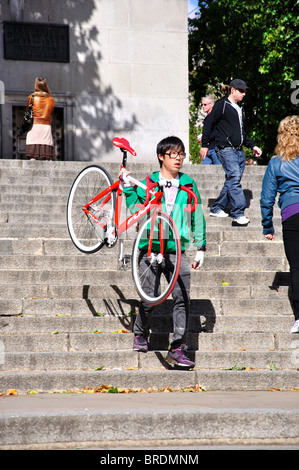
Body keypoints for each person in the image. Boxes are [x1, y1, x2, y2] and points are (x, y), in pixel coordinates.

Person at [121, 136, 206, 368]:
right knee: (149, 298)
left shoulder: (188, 184)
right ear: (161, 156)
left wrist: (201, 246)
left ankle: (178, 348)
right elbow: (136, 207)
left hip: (176, 249)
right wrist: (127, 188)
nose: (178, 158)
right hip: (149, 247)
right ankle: (140, 332)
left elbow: (197, 215)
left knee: (183, 299)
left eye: (181, 154)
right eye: (173, 154)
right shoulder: (149, 183)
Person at [200, 79, 262, 225]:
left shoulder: (240, 109)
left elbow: (241, 132)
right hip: (225, 148)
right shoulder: (222, 105)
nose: (244, 94)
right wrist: (205, 144)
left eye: (245, 91)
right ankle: (237, 212)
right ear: (233, 90)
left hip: (239, 150)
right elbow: (208, 123)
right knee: (234, 176)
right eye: (241, 91)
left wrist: (252, 145)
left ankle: (216, 207)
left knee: (233, 180)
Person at [260, 115, 299, 334]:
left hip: (292, 213)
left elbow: (267, 198)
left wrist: (268, 226)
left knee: (297, 267)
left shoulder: (276, 162)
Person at [25, 77, 55, 161]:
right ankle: (47, 158)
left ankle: (33, 157)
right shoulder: (51, 100)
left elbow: (28, 110)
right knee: (46, 143)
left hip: (35, 124)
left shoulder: (32, 98)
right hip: (46, 125)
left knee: (32, 141)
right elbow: (51, 113)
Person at [198, 95, 221, 165]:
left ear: (211, 105)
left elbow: (216, 132)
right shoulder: (208, 117)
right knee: (204, 169)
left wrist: (204, 139)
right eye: (202, 105)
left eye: (205, 104)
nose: (203, 106)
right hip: (208, 148)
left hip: (215, 148)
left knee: (219, 170)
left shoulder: (215, 117)